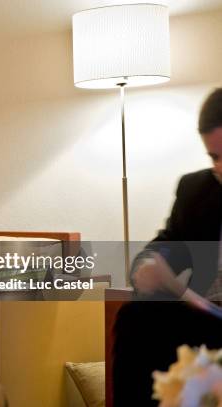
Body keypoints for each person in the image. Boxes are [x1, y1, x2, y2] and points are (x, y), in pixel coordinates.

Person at [113, 88, 222, 406]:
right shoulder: (196, 189)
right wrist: (148, 266)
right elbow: (166, 244)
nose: (221, 168)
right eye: (215, 157)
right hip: (205, 315)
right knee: (137, 316)